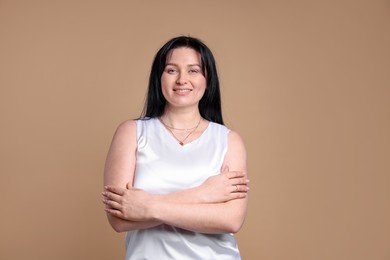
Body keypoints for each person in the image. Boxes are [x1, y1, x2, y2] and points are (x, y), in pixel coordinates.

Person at [102, 36, 249, 260]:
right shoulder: (131, 133)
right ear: (158, 77)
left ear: (208, 79)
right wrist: (203, 195)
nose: (182, 79)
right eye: (172, 70)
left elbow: (231, 220)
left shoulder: (229, 140)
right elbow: (120, 220)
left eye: (193, 70)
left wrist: (146, 207)